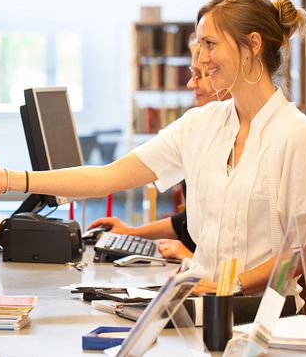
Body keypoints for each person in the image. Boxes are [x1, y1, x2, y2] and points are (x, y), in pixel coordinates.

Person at [0, 0, 306, 296]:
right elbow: (106, 176)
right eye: (199, 45)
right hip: (200, 306)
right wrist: (10, 178)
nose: (201, 58)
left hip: (265, 323)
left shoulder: (295, 136)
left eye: (210, 44)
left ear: (252, 45)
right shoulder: (201, 125)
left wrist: (225, 286)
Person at [87, 33, 232, 262]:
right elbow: (188, 220)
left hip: (215, 279)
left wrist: (192, 259)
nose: (190, 84)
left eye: (200, 75)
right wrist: (132, 233)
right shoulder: (199, 128)